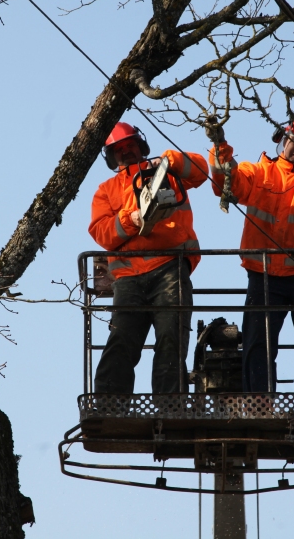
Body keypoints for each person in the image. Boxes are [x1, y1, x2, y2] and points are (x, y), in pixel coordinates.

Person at [207, 114, 294, 393]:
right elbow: (227, 184)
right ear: (283, 138)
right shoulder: (259, 172)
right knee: (257, 344)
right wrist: (220, 145)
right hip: (264, 274)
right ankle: (259, 405)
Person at [89, 121, 208, 394]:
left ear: (140, 145)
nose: (126, 151)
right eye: (119, 149)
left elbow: (202, 172)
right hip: (128, 279)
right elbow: (102, 233)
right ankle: (110, 405)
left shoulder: (167, 171)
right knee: (121, 340)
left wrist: (171, 160)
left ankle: (170, 408)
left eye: (130, 145)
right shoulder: (106, 190)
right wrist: (131, 219)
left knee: (171, 339)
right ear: (111, 156)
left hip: (170, 266)